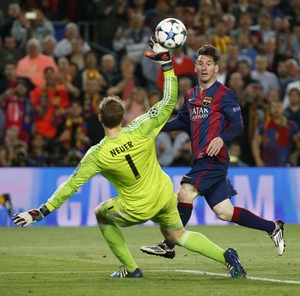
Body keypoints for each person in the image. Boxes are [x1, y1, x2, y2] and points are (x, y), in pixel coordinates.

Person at [12, 38, 246, 279]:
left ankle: (132, 269)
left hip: (138, 206)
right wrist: (166, 63)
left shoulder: (97, 155)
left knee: (101, 213)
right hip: (164, 194)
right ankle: (226, 256)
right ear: (123, 116)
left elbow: (71, 186)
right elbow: (168, 101)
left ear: (101, 119)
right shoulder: (141, 126)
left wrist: (40, 212)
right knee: (177, 235)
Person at [140, 44, 285, 260]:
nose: (205, 67)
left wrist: (221, 138)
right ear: (196, 67)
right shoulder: (190, 94)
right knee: (224, 212)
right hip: (200, 160)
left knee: (185, 192)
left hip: (213, 160)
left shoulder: (225, 94)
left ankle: (169, 244)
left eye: (209, 64)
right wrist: (154, 126)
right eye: (200, 63)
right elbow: (182, 121)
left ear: (217, 68)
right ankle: (273, 227)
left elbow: (238, 125)